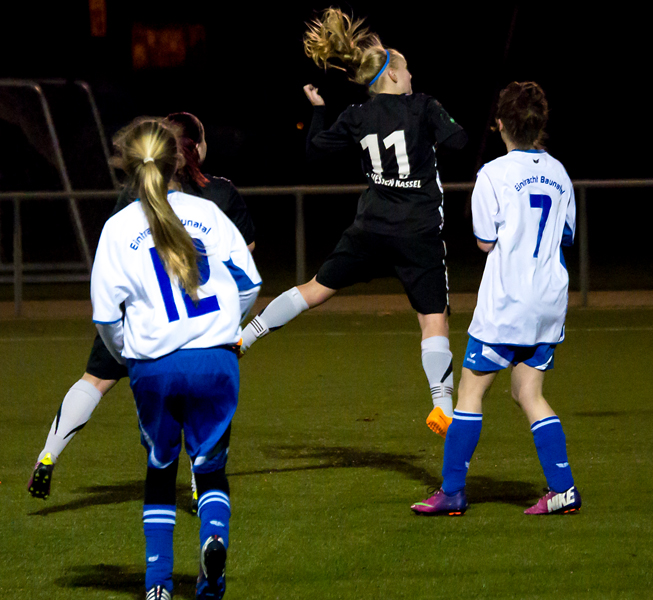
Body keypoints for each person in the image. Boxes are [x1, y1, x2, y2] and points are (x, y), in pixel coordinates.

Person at [239, 8, 467, 438]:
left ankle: (246, 337)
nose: (412, 74)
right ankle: (443, 406)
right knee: (433, 319)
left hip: (372, 230)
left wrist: (320, 110)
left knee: (314, 290)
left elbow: (315, 150)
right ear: (395, 77)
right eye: (408, 69)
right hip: (418, 231)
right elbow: (459, 140)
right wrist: (439, 119)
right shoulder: (422, 107)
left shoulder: (358, 115)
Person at [27, 113, 256, 507]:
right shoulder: (218, 195)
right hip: (198, 323)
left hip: (137, 318)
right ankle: (203, 486)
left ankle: (49, 452)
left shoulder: (133, 196)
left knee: (94, 381)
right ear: (196, 149)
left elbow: (115, 260)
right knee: (196, 403)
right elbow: (244, 261)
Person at [91, 117, 260, 599]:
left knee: (160, 469)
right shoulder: (208, 213)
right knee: (209, 469)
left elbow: (105, 315)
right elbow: (249, 284)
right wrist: (222, 326)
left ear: (129, 165)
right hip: (215, 361)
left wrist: (127, 354)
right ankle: (212, 550)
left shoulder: (118, 227)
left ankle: (158, 586)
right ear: (180, 159)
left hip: (155, 367)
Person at [411, 81, 581, 516]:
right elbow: (566, 235)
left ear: (500, 124)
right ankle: (563, 490)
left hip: (508, 303)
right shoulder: (560, 173)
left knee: (469, 391)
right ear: (540, 125)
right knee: (528, 391)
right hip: (548, 301)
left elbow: (485, 242)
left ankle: (452, 490)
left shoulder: (493, 174)